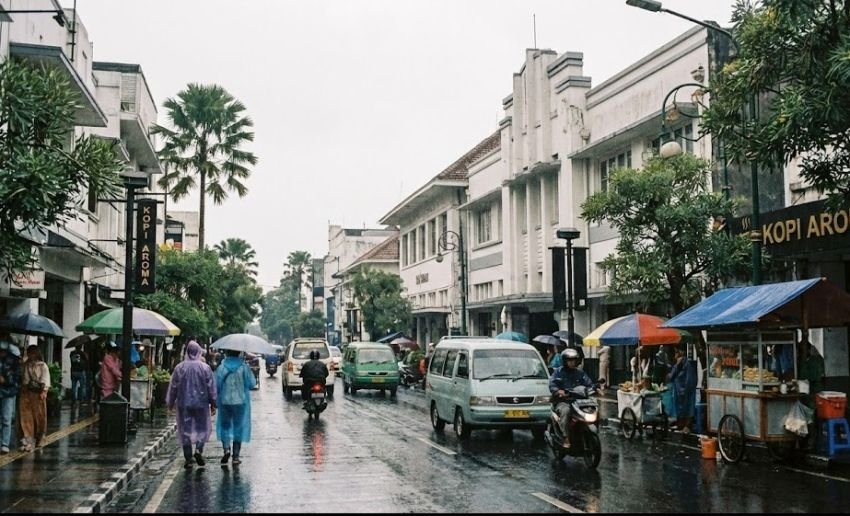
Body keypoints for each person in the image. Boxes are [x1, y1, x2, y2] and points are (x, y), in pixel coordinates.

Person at [166, 340, 217, 470]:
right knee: (202, 428)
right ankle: (199, 449)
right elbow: (211, 387)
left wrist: (170, 403)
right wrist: (213, 403)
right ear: (199, 352)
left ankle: (188, 459)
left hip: (184, 404)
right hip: (201, 403)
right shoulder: (205, 368)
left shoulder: (179, 368)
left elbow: (173, 387)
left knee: (185, 430)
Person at [215, 349, 256, 466]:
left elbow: (216, 385)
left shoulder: (221, 368)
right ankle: (236, 457)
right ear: (238, 353)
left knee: (225, 427)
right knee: (238, 428)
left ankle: (226, 449)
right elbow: (252, 383)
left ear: (226, 353)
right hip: (240, 402)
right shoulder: (244, 367)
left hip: (225, 401)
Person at [549, 347, 594, 449]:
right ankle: (566, 437)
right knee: (566, 411)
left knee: (592, 408)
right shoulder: (558, 372)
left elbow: (588, 382)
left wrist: (594, 387)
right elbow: (552, 384)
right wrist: (558, 391)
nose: (572, 362)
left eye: (574, 360)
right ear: (565, 361)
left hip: (578, 401)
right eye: (570, 360)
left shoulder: (579, 372)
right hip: (563, 401)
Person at [19, 344, 50, 452]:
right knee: (26, 418)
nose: (30, 355)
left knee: (39, 417)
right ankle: (29, 441)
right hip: (27, 393)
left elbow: (45, 380)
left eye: (32, 353)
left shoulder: (42, 365)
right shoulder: (26, 364)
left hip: (38, 394)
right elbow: (24, 379)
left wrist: (44, 391)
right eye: (28, 353)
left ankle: (40, 438)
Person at [667, 347, 697, 433]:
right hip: (690, 387)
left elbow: (671, 376)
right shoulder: (689, 362)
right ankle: (686, 426)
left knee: (682, 408)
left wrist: (668, 373)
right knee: (689, 407)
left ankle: (684, 425)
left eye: (676, 353)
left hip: (681, 389)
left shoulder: (680, 361)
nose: (675, 355)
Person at [0, 336, 21, 454]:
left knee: (6, 418)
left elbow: (17, 377)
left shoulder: (13, 359)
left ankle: (5, 443)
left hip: (8, 392)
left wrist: (6, 380)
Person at [797, 331, 825, 409]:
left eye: (801, 351)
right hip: (814, 389)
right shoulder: (815, 359)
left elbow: (804, 376)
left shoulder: (813, 361)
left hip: (816, 390)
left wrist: (802, 362)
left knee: (813, 407)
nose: (799, 353)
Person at [69, 342, 89, 407]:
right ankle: (82, 400)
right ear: (81, 347)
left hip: (73, 371)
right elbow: (86, 360)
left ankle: (73, 400)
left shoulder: (72, 353)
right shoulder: (82, 353)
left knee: (73, 387)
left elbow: (72, 360)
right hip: (80, 371)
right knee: (82, 386)